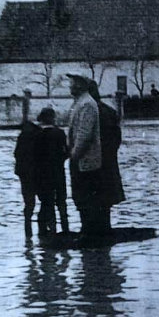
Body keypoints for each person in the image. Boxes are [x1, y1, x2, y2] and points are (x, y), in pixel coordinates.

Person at [66, 73, 105, 238]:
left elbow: (84, 134)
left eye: (72, 83)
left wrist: (74, 156)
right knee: (81, 197)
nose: (70, 86)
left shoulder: (87, 104)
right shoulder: (80, 103)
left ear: (80, 85)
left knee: (86, 196)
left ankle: (90, 232)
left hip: (86, 161)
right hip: (81, 159)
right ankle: (87, 230)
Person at [89, 80, 126, 233]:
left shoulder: (90, 111)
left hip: (94, 163)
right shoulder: (110, 111)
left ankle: (96, 233)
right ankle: (104, 229)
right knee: (105, 199)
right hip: (109, 161)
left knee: (93, 198)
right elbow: (117, 138)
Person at [35, 107, 69, 236]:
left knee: (46, 202)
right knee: (61, 201)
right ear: (52, 117)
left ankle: (48, 231)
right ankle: (65, 229)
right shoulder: (59, 133)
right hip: (58, 172)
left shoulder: (37, 134)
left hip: (43, 174)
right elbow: (66, 152)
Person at [14, 117, 42, 240]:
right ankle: (43, 231)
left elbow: (17, 155)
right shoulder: (38, 136)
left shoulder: (22, 138)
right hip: (38, 174)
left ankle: (28, 233)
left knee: (29, 204)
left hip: (25, 175)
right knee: (45, 201)